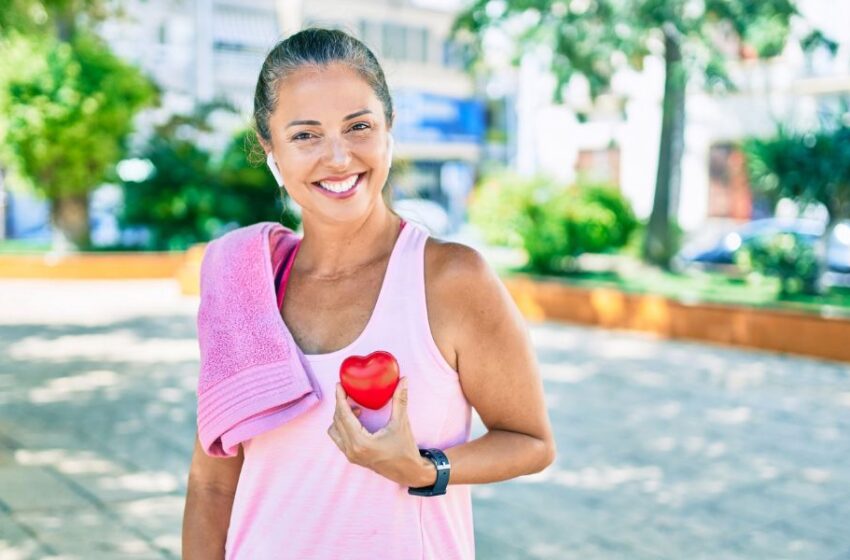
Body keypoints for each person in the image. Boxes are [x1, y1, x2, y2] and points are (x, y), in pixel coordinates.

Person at [182, 28, 556, 560]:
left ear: (388, 131)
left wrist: (425, 468)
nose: (338, 157)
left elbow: (532, 442)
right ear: (270, 149)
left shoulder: (449, 279)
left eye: (358, 127)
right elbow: (212, 484)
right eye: (305, 135)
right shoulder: (243, 287)